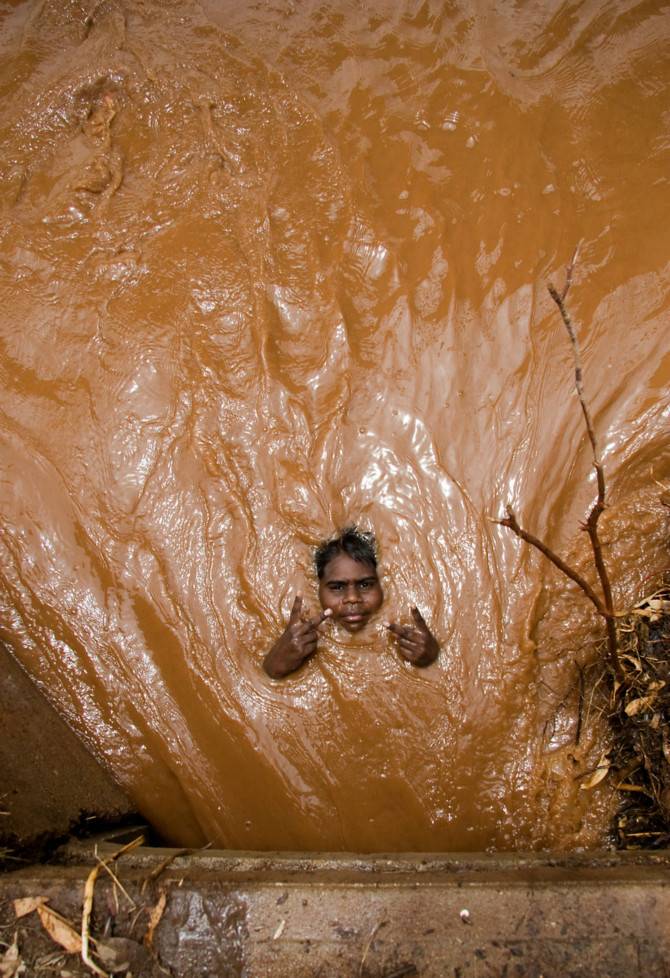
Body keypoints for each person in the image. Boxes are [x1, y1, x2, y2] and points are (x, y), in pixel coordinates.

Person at [262, 526, 440, 678]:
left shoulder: (404, 621)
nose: (353, 598)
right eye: (337, 587)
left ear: (381, 584)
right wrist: (274, 665)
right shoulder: (295, 629)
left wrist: (432, 655)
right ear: (317, 587)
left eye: (365, 584)